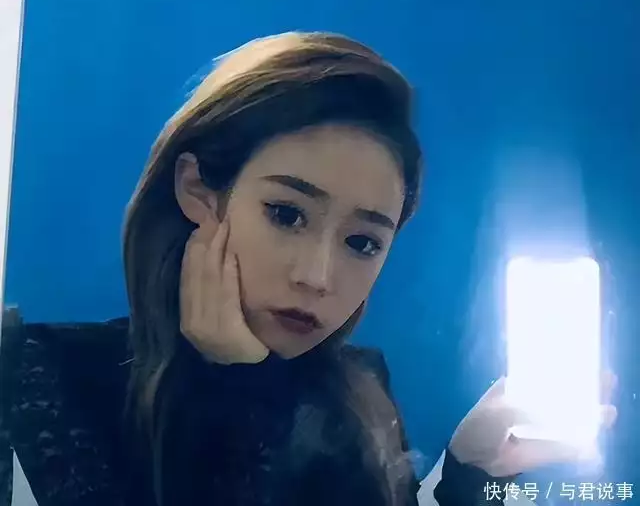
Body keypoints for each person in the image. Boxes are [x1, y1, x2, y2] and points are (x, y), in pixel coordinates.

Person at [0, 31, 616, 506]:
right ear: (199, 192)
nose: (318, 277)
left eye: (363, 242)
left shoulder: (360, 395)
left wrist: (470, 473)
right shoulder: (38, 381)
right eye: (286, 214)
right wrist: (233, 393)